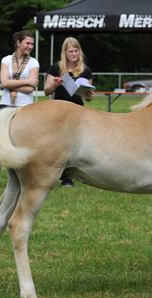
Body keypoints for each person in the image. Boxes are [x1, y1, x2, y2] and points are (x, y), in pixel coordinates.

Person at [0, 30, 39, 189]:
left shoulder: (34, 62)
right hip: (6, 104)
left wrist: (14, 84)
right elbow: (4, 84)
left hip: (25, 106)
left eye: (32, 44)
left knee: (24, 143)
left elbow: (30, 90)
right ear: (18, 43)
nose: (30, 46)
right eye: (27, 43)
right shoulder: (6, 60)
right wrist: (27, 81)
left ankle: (25, 179)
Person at [44, 37, 94, 187]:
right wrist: (54, 83)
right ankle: (51, 173)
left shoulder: (85, 71)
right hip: (59, 111)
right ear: (64, 53)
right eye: (70, 51)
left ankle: (68, 178)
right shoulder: (55, 69)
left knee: (73, 144)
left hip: (78, 111)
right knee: (56, 144)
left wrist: (89, 95)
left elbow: (88, 96)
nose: (74, 54)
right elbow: (46, 91)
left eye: (76, 51)